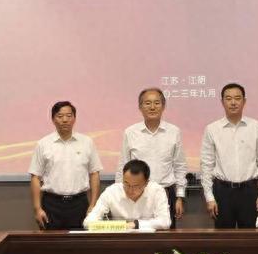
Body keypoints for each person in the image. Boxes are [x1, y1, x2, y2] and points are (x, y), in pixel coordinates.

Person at [200, 83, 258, 228]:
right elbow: (206, 166)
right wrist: (209, 197)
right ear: (222, 102)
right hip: (222, 191)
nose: (233, 102)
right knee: (223, 238)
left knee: (251, 237)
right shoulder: (212, 129)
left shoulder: (256, 127)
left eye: (237, 98)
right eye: (228, 98)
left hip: (250, 191)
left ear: (244, 101)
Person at [115, 88, 187, 228]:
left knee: (165, 236)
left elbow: (180, 166)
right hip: (137, 194)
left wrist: (180, 197)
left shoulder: (174, 132)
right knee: (137, 234)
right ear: (140, 107)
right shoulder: (130, 132)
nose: (152, 107)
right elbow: (122, 166)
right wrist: (120, 196)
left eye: (157, 103)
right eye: (147, 103)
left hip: (166, 193)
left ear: (163, 106)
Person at [28, 101, 102, 230]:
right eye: (60, 116)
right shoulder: (43, 144)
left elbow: (94, 173)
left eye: (69, 116)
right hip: (51, 204)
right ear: (53, 119)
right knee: (50, 242)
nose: (65, 120)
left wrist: (93, 205)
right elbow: (35, 177)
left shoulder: (87, 142)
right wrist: (37, 208)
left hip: (79, 204)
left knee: (80, 241)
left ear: (74, 118)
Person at [84, 159, 171, 230]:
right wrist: (116, 226)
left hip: (148, 240)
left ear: (146, 183)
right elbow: (88, 222)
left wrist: (136, 224)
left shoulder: (157, 191)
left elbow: (165, 222)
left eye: (136, 186)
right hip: (119, 241)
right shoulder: (112, 191)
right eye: (126, 184)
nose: (130, 190)